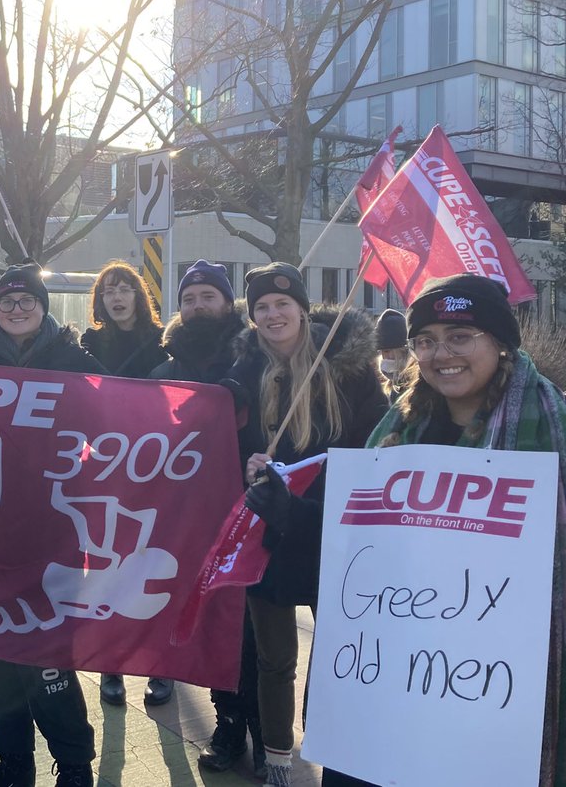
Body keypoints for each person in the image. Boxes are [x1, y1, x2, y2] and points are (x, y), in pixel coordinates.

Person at [324, 275, 564, 787]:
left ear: (500, 343)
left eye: (460, 336)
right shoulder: (397, 428)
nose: (441, 353)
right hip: (393, 667)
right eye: (426, 340)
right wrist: (286, 510)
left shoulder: (550, 426)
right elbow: (357, 544)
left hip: (491, 685)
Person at [226, 263, 389, 787]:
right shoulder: (240, 373)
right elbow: (214, 450)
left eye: (282, 304)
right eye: (262, 308)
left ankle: (333, 749)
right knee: (274, 658)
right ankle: (277, 758)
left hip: (332, 534)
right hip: (265, 533)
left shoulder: (351, 369)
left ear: (301, 308)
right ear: (252, 318)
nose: (273, 315)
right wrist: (244, 464)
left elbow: (378, 447)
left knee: (339, 651)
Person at [0, 262, 107, 787]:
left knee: (49, 663)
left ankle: (73, 764)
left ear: (42, 307)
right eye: (7, 301)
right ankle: (13, 761)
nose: (17, 309)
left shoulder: (72, 359)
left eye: (27, 301)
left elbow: (112, 427)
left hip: (52, 534)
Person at [147, 261, 263, 777]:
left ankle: (267, 734)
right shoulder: (164, 369)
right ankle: (228, 726)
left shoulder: (258, 358)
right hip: (192, 520)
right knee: (216, 625)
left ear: (227, 303)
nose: (198, 306)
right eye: (189, 297)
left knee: (258, 633)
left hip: (253, 514)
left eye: (207, 297)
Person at [79, 260, 171, 707]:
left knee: (154, 562)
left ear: (138, 295)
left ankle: (160, 664)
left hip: (157, 467)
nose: (116, 298)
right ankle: (110, 664)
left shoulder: (164, 344)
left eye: (124, 289)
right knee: (106, 560)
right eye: (108, 290)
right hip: (105, 468)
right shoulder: (88, 344)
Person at [374, 308, 407, 402]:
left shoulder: (413, 383)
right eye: (383, 352)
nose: (385, 357)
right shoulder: (391, 383)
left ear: (401, 350)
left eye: (387, 351)